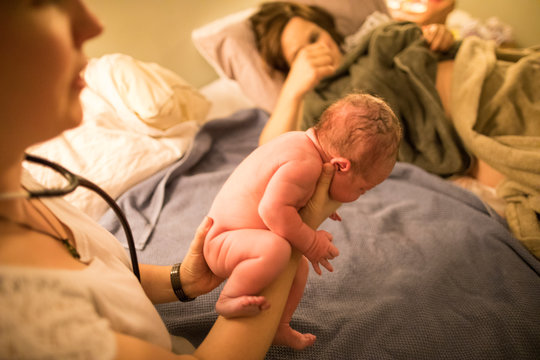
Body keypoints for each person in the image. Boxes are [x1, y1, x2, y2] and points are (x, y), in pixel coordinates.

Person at [0, 1, 339, 359]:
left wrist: (181, 280)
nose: (92, 25)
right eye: (40, 2)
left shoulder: (25, 183)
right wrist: (296, 231)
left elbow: (95, 276)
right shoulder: (16, 315)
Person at [204, 93, 402, 349]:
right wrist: (311, 243)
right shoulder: (304, 164)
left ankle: (280, 326)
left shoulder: (302, 144)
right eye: (363, 189)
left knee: (297, 267)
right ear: (341, 166)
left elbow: (286, 195)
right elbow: (273, 211)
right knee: (278, 249)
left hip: (242, 241)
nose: (359, 196)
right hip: (224, 242)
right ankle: (229, 298)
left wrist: (308, 200)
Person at [250, 1, 464, 177]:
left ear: (327, 31)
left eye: (315, 38)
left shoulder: (374, 41)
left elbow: (427, 45)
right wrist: (292, 90)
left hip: (468, 76)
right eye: (299, 54)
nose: (315, 51)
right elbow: (267, 162)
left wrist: (439, 37)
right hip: (458, 128)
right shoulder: (310, 105)